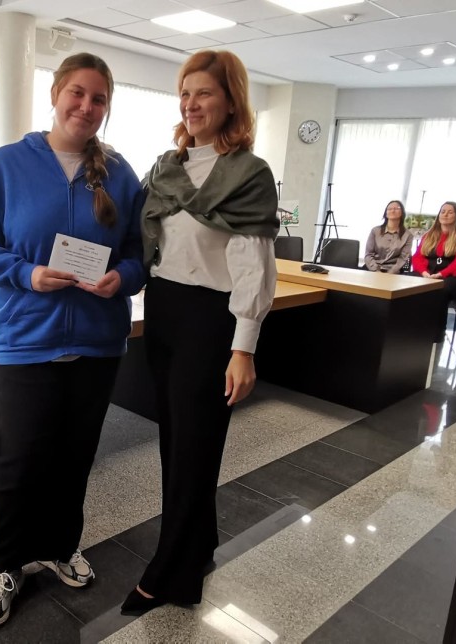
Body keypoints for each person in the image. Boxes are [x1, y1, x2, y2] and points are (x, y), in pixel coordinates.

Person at [0, 52, 145, 628]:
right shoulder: (6, 165)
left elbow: (140, 252)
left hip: (98, 342)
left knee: (76, 455)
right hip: (25, 339)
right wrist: (25, 273)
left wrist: (124, 278)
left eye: (99, 98)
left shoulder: (120, 173)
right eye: (77, 93)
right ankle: (5, 565)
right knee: (22, 460)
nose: (86, 106)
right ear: (56, 94)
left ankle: (61, 546)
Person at [121, 50, 279, 617]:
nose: (191, 104)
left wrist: (244, 348)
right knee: (177, 443)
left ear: (231, 101)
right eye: (185, 93)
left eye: (204, 93)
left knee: (194, 448)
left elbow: (254, 267)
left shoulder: (248, 174)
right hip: (164, 311)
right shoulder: (167, 168)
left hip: (211, 322)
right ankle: (199, 541)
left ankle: (170, 571)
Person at [412, 201, 456, 340]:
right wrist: (424, 272)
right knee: (408, 283)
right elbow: (417, 257)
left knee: (440, 289)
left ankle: (436, 332)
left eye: (450, 212)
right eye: (443, 211)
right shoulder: (429, 235)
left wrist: (440, 274)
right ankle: (411, 326)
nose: (445, 214)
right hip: (428, 273)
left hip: (453, 277)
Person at [364, 200, 414, 273]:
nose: (393, 210)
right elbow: (368, 254)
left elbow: (403, 258)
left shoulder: (408, 235)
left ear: (402, 213)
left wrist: (390, 272)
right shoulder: (375, 231)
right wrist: (376, 271)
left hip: (394, 272)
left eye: (396, 208)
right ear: (386, 213)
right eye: (389, 209)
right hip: (372, 269)